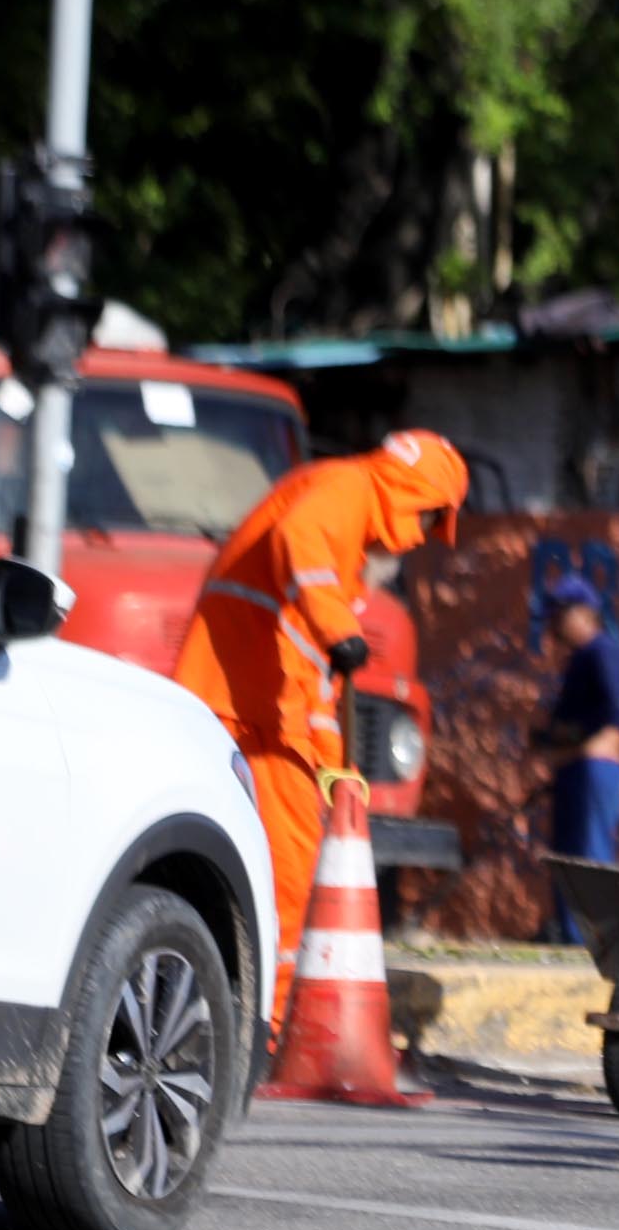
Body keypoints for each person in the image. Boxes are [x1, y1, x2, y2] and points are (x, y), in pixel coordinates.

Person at [173, 428, 468, 1027]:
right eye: (430, 524)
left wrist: (336, 768)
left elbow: (314, 683)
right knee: (289, 869)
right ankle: (271, 1025)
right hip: (244, 712)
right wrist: (340, 627)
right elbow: (298, 539)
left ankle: (257, 1017)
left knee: (280, 865)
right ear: (420, 502)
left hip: (263, 718)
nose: (420, 542)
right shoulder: (346, 491)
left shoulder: (341, 540)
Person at [532, 572, 619, 941]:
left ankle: (591, 942)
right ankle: (571, 937)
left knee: (588, 860)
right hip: (574, 771)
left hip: (593, 771)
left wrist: (575, 741)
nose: (554, 626)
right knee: (567, 861)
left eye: (559, 616)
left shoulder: (602, 652)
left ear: (582, 613)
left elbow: (616, 711)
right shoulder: (579, 660)